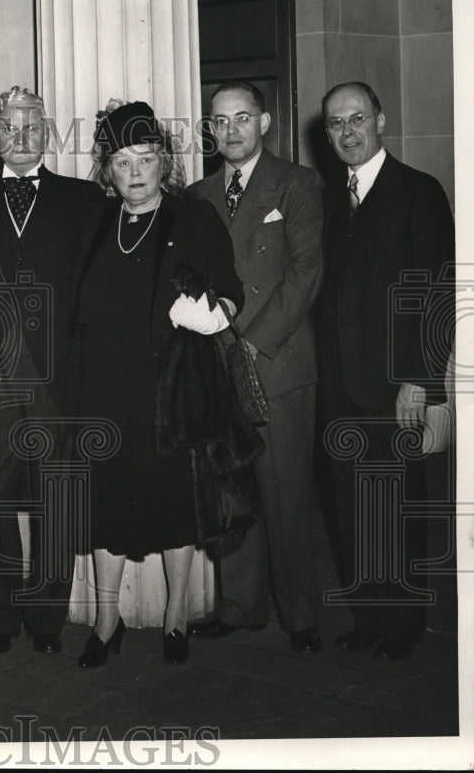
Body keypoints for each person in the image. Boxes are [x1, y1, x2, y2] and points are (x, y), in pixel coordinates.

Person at [70, 100, 244, 666]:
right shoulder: (95, 220)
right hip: (103, 387)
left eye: (145, 158)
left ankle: (175, 618)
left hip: (170, 386)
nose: (135, 172)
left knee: (174, 501)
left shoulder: (193, 218)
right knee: (106, 503)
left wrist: (210, 310)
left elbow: (230, 291)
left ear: (163, 161)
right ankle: (105, 620)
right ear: (107, 169)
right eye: (122, 162)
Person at [0, 86, 105, 656]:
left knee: (55, 501)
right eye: (9, 128)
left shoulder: (86, 201)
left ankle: (47, 622)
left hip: (60, 376)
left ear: (49, 133)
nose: (20, 137)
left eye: (32, 126)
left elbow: (96, 288)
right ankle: (0, 621)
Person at [185, 82, 324, 655]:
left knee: (285, 491)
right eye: (220, 121)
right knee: (233, 488)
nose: (232, 130)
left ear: (265, 122)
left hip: (277, 362)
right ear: (209, 129)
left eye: (243, 118)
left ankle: (300, 615)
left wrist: (252, 342)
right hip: (219, 368)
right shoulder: (196, 195)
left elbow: (306, 274)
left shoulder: (297, 183)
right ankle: (240, 608)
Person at [317, 81, 454, 660]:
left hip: (395, 383)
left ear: (380, 121)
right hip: (339, 385)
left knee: (395, 503)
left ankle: (402, 627)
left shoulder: (417, 192)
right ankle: (368, 619)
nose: (346, 133)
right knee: (351, 504)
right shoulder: (328, 197)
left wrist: (420, 380)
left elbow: (438, 294)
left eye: (356, 119)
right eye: (334, 124)